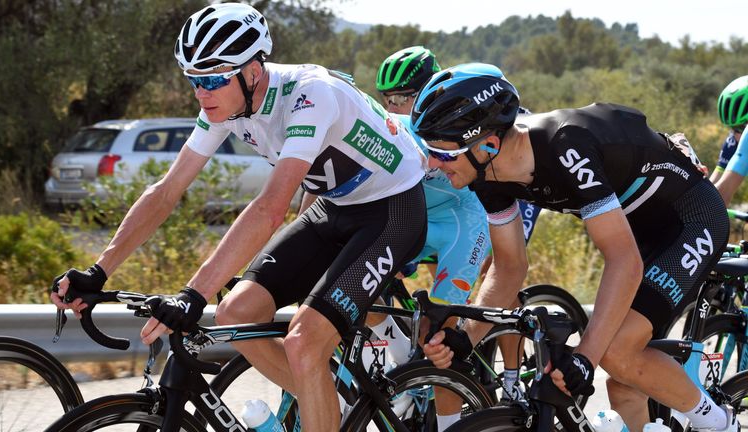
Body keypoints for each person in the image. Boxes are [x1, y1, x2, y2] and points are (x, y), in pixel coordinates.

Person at [51, 4, 428, 430]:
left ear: (252, 71)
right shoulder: (225, 106)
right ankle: (327, 406)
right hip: (336, 207)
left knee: (304, 343)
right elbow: (166, 192)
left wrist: (193, 295)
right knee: (234, 313)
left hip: (392, 211)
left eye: (212, 78)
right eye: (194, 80)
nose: (201, 92)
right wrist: (99, 270)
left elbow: (270, 209)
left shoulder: (310, 94)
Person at [412, 63, 734, 432]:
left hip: (691, 220)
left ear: (487, 143)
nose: (433, 164)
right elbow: (510, 267)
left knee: (615, 352)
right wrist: (465, 337)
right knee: (625, 387)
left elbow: (623, 261)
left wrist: (585, 358)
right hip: (639, 233)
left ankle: (722, 425)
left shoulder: (566, 146)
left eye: (443, 152)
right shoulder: (488, 176)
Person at [373, 45, 492, 430]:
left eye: (403, 98)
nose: (394, 107)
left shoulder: (452, 124)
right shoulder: (390, 131)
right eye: (387, 99)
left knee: (440, 333)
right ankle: (407, 361)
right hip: (417, 222)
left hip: (464, 224)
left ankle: (449, 421)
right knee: (359, 289)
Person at [712, 75, 748, 205]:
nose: (737, 135)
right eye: (733, 128)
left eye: (742, 127)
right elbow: (716, 184)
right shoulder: (733, 140)